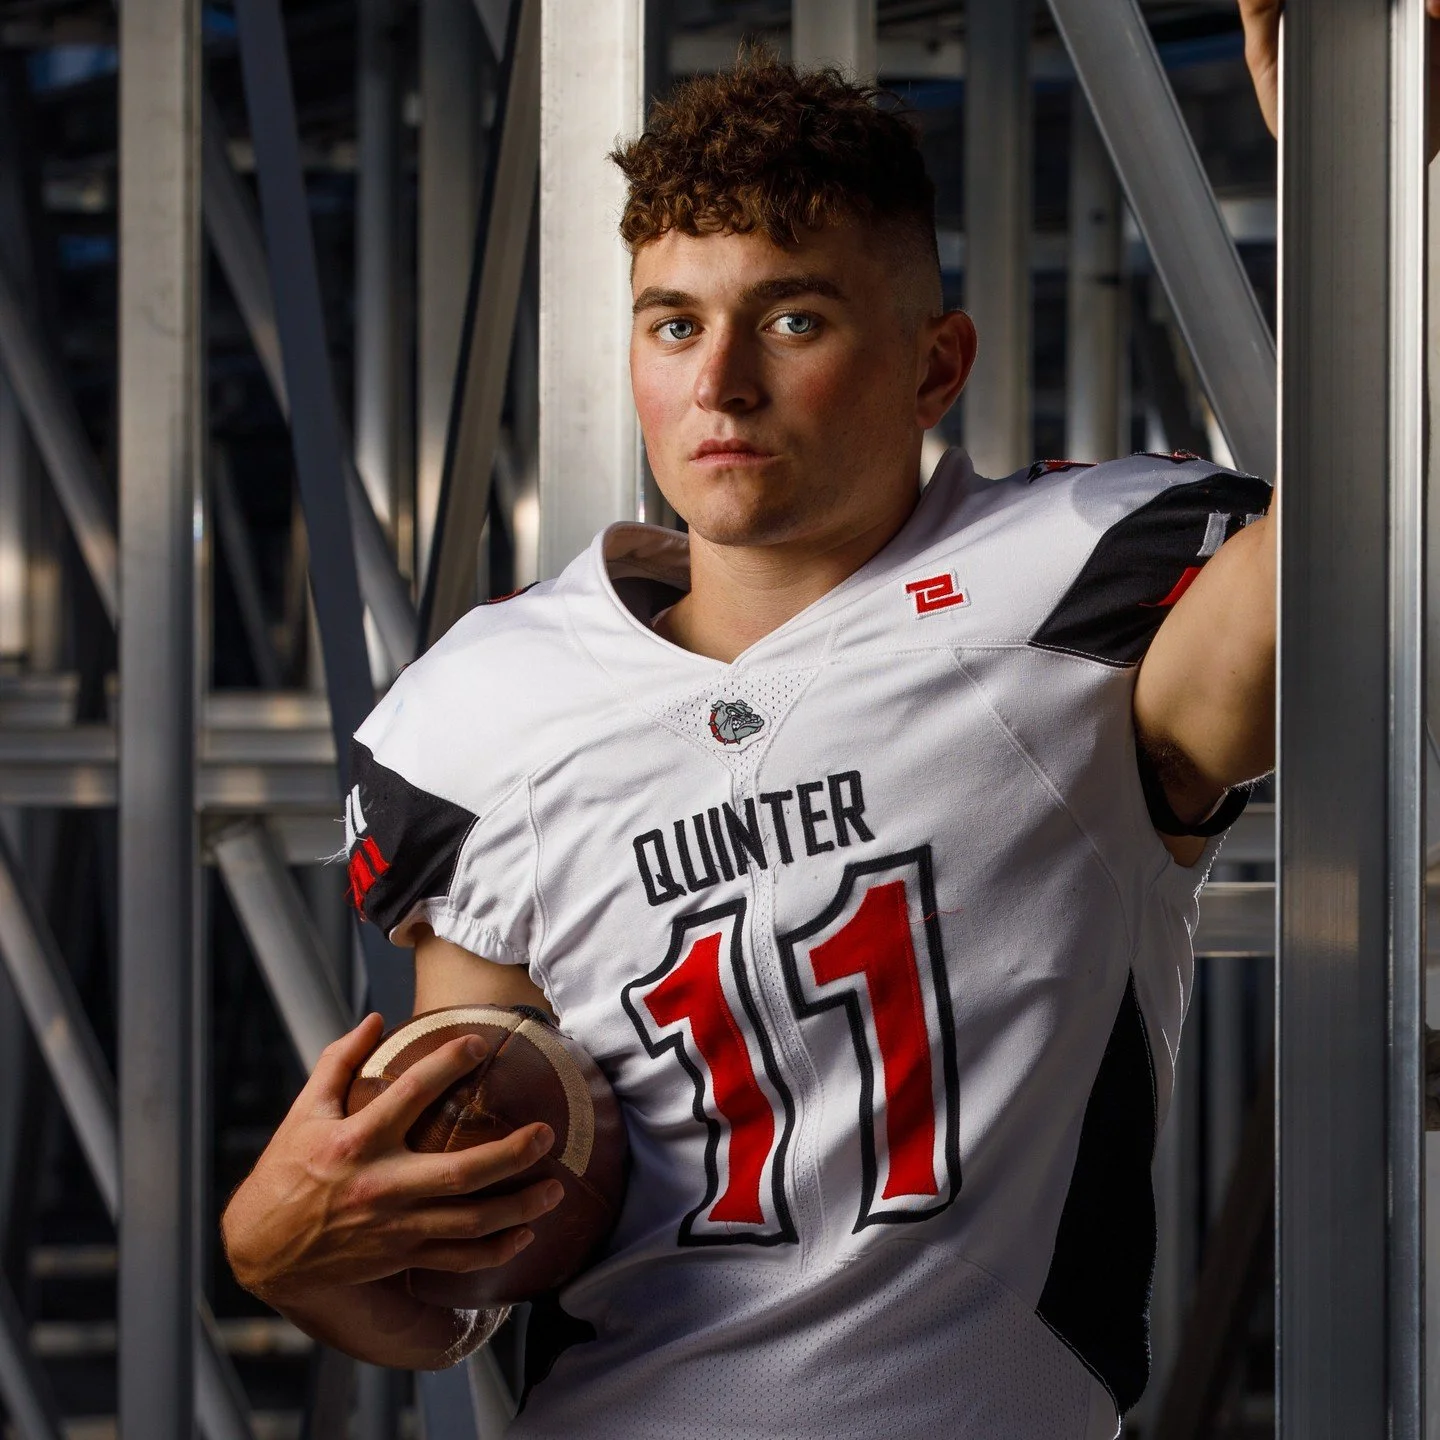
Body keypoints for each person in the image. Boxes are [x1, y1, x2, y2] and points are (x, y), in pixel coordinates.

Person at [220, 49, 1280, 1440]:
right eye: (673, 324)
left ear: (934, 364)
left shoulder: (1072, 594)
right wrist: (290, 1252)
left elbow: (1367, 517)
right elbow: (471, 1246)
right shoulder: (488, 703)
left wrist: (1380, 166)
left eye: (791, 321)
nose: (718, 383)